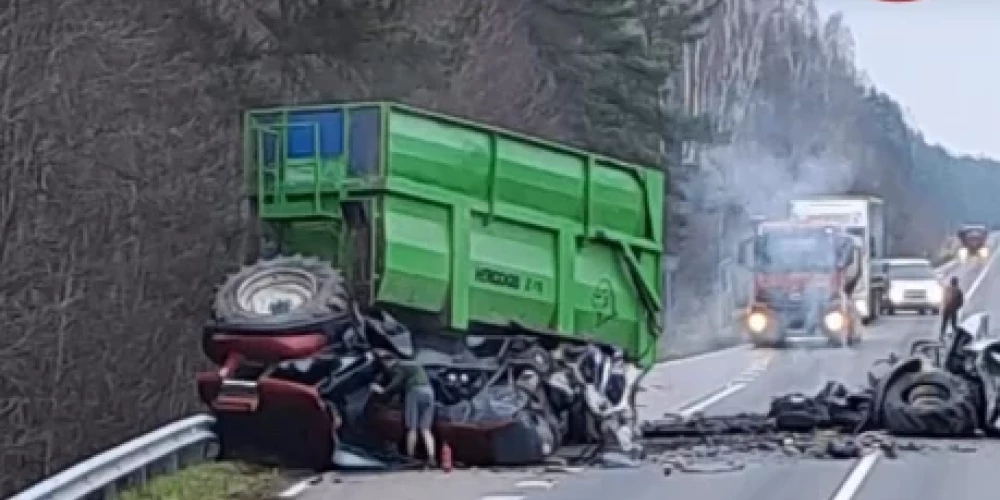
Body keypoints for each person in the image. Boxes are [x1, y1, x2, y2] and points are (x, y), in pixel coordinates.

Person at [370, 350, 437, 466]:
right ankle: (432, 458)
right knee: (426, 429)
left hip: (415, 391)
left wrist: (381, 391)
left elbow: (395, 384)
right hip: (429, 392)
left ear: (387, 362)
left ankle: (411, 458)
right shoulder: (412, 363)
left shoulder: (399, 367)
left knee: (412, 428)